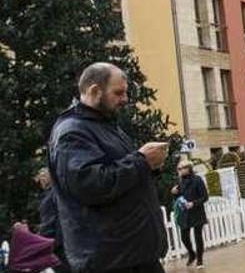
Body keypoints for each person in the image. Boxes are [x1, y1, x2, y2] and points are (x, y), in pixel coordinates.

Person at [47, 62, 169, 273]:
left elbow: (122, 175)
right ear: (95, 91)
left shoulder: (104, 125)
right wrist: (142, 161)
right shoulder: (72, 132)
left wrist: (150, 165)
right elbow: (90, 184)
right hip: (111, 261)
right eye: (118, 93)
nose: (125, 99)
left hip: (134, 255)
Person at [171, 160, 208, 268]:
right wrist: (174, 193)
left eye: (182, 168)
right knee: (184, 237)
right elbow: (178, 199)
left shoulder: (197, 180)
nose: (180, 171)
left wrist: (193, 203)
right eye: (178, 169)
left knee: (198, 237)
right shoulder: (179, 182)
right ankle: (192, 254)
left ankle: (200, 260)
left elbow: (205, 197)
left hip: (197, 212)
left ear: (188, 168)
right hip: (184, 214)